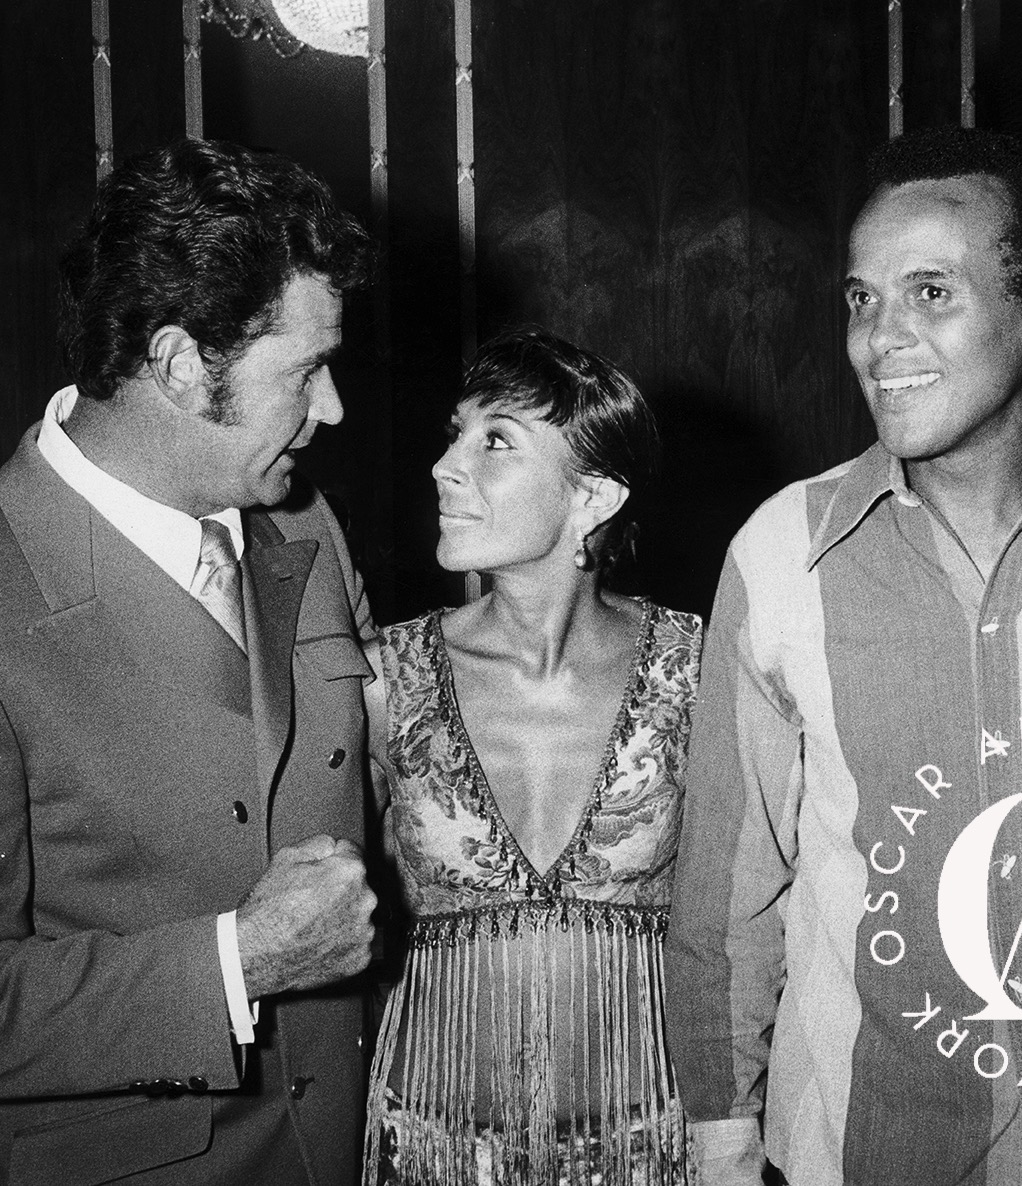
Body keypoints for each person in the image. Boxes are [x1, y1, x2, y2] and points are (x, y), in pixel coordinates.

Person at [666, 126, 1022, 1186]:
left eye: (930, 293)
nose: (880, 339)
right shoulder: (780, 553)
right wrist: (720, 1134)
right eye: (861, 299)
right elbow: (727, 889)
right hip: (868, 1146)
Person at [0, 139, 379, 1184]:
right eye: (304, 371)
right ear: (176, 365)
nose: (333, 408)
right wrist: (237, 962)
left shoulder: (302, 523)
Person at [362, 328, 703, 1185]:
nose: (445, 466)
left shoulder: (697, 669)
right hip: (434, 1149)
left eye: (496, 442)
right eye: (456, 435)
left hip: (648, 1150)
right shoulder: (381, 680)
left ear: (593, 496)